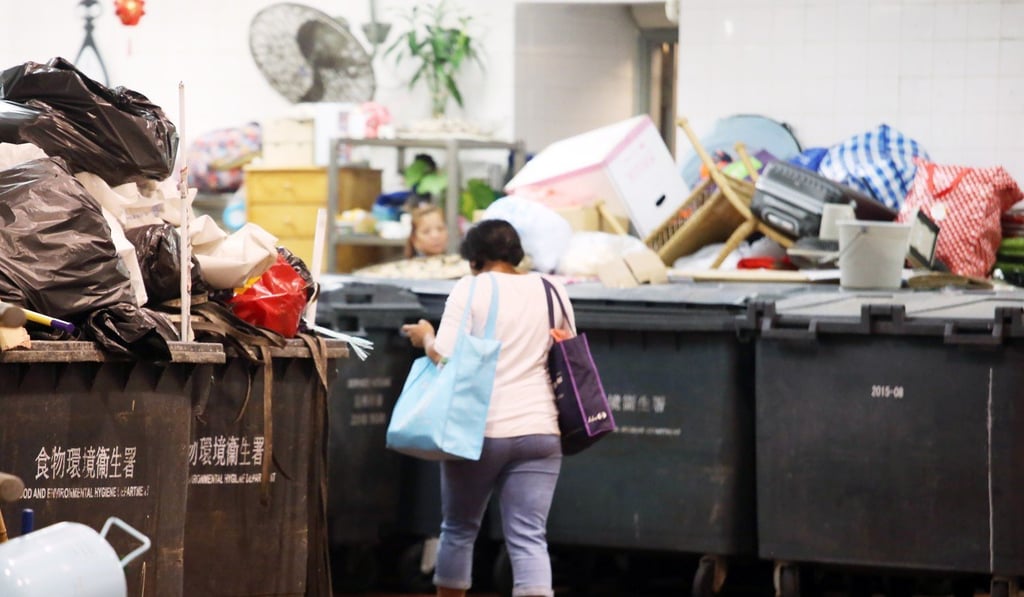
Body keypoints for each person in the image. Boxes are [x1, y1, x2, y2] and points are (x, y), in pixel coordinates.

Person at [401, 219, 574, 597]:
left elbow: (444, 354)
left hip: (479, 430)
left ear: (474, 257)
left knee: (460, 529)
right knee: (529, 538)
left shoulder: (472, 288)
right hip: (540, 430)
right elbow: (567, 344)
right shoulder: (552, 288)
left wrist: (424, 336)